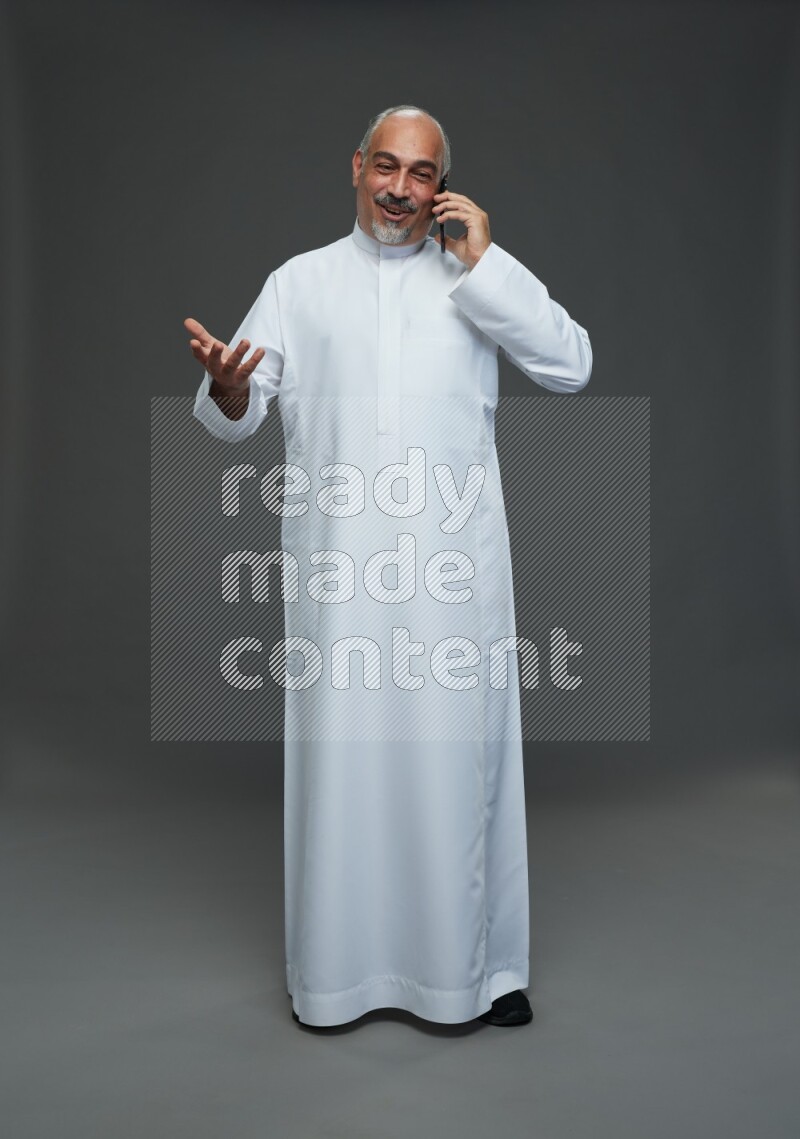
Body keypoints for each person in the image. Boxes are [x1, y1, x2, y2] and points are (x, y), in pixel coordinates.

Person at [185, 105, 592, 1029]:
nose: (400, 189)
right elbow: (238, 412)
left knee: (458, 768)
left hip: (452, 580)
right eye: (386, 166)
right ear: (356, 167)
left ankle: (479, 970)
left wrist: (486, 262)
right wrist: (229, 387)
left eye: (421, 173)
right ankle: (336, 976)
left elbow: (571, 365)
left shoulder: (474, 279)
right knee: (344, 774)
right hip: (340, 580)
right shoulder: (299, 283)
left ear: (443, 186)